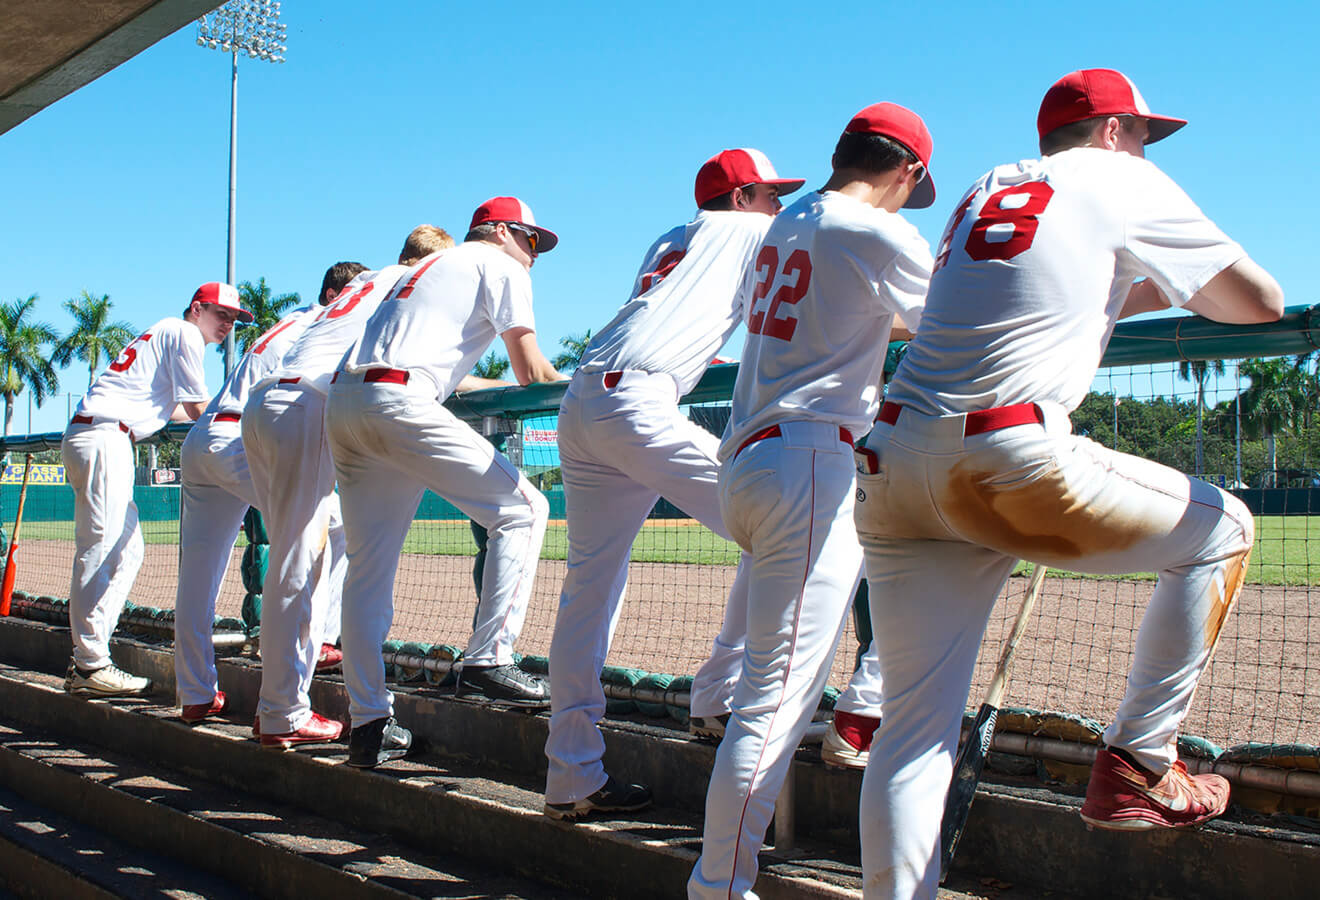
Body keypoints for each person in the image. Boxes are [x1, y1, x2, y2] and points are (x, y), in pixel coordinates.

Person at [854, 69, 1283, 899]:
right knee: (1223, 528)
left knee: (910, 732)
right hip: (1007, 458)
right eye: (1144, 132)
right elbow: (1256, 302)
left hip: (895, 462)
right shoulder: (1122, 173)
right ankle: (1140, 764)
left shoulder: (989, 185)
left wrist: (1124, 283)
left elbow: (1033, 292)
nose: (1149, 146)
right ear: (1115, 130)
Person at [685, 103, 935, 898]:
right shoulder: (878, 229)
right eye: (912, 191)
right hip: (810, 464)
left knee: (770, 688)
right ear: (908, 171)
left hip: (755, 460)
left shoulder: (786, 223)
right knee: (776, 701)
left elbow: (867, 320)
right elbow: (948, 325)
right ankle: (718, 887)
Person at [543, 148, 807, 820]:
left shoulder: (670, 237)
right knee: (778, 523)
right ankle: (720, 692)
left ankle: (570, 776)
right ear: (745, 197)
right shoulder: (752, 231)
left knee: (588, 589)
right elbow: (787, 318)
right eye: (771, 194)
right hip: (640, 403)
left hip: (584, 401)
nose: (779, 206)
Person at [326, 197, 566, 768]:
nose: (535, 256)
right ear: (503, 232)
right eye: (532, 241)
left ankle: (368, 723)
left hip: (348, 402)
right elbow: (532, 372)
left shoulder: (423, 269)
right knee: (524, 509)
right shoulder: (499, 264)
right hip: (399, 401)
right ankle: (490, 658)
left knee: (367, 571)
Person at [244, 226, 455, 748]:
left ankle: (287, 696)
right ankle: (280, 712)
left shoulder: (368, 279)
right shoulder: (410, 284)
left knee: (315, 543)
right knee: (297, 562)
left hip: (267, 402)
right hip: (305, 405)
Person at [171, 271, 344, 724]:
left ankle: (194, 693)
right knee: (332, 525)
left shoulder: (289, 321)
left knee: (197, 578)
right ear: (333, 295)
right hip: (238, 443)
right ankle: (315, 652)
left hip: (205, 437)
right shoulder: (326, 325)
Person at [62, 282, 243, 697]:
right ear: (197, 309)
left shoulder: (165, 333)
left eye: (233, 320)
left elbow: (176, 408)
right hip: (105, 435)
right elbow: (198, 408)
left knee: (127, 549)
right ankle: (90, 663)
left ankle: (88, 660)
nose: (228, 325)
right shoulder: (183, 333)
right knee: (102, 546)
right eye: (221, 315)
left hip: (101, 434)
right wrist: (237, 430)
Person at [309, 261, 373, 672]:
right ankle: (281, 704)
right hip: (289, 421)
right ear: (334, 295)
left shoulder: (302, 321)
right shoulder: (332, 322)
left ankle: (320, 639)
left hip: (258, 422)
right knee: (296, 551)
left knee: (336, 525)